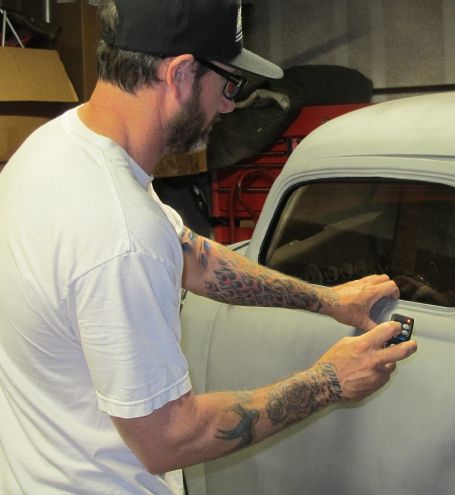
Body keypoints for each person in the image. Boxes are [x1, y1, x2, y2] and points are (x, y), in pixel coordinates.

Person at [0, 1, 417, 493]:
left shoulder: (52, 148)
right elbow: (171, 438)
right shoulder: (119, 232)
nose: (227, 105)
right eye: (229, 84)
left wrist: (328, 300)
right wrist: (330, 380)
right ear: (179, 74)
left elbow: (193, 258)